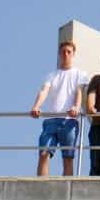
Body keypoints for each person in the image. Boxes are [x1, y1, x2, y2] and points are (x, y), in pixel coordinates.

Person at [28, 40, 88, 177]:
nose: (66, 54)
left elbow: (79, 92)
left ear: (73, 54)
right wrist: (36, 106)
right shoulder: (51, 75)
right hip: (51, 120)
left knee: (67, 158)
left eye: (69, 52)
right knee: (44, 153)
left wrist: (76, 107)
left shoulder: (80, 74)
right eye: (63, 52)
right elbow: (44, 90)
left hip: (69, 120)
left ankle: (67, 186)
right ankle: (42, 186)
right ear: (59, 54)